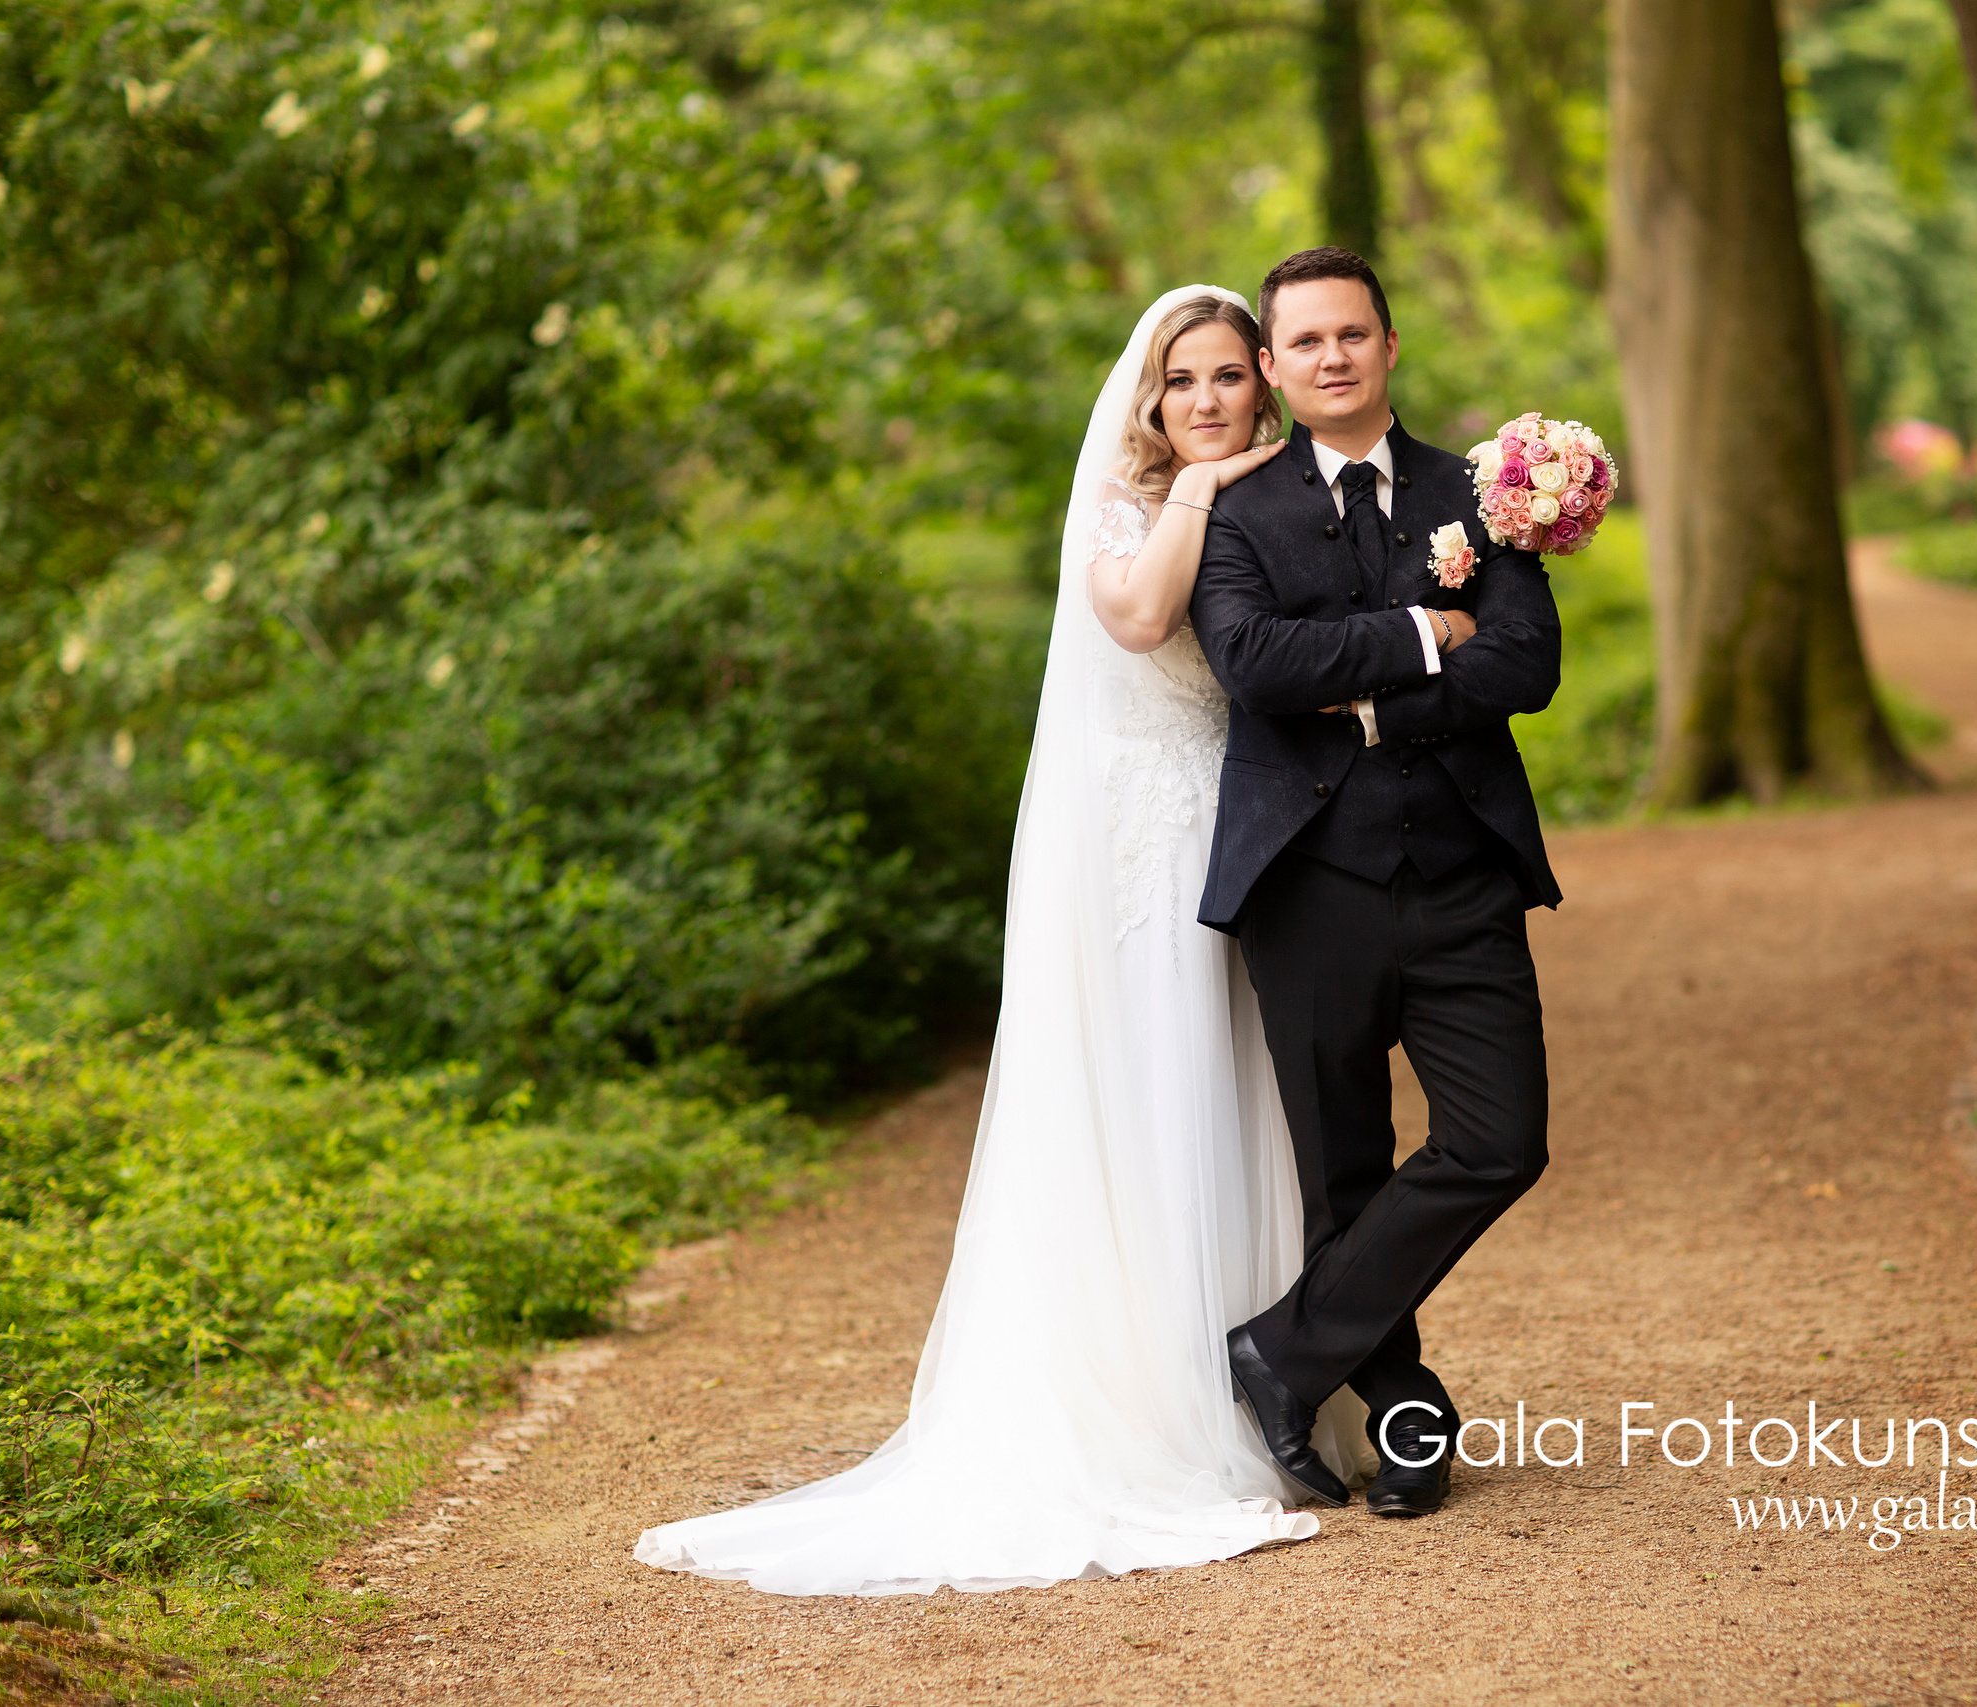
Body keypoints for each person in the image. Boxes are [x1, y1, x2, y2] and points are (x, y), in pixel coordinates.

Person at [632, 286, 1371, 1597]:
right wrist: (1202, 492)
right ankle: (1150, 1408)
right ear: (1151, 398)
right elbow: (1140, 620)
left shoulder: (1283, 499)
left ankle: (1269, 1376)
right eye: (1179, 381)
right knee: (1146, 1096)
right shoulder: (1125, 507)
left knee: (1237, 1091)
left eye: (1223, 377)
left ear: (1261, 382)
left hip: (1244, 831)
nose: (1205, 400)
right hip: (1134, 843)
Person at [1190, 247, 1563, 1520]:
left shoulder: (1486, 494)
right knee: (1342, 1174)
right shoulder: (1235, 510)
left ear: (1389, 347)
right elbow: (1251, 661)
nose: (1331, 358)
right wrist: (1414, 643)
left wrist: (1366, 712)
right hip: (1307, 888)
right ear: (1278, 368)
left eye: (1353, 334)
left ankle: (1281, 1354)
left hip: (1463, 877)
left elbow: (1524, 663)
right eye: (1305, 344)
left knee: (1501, 1141)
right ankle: (1407, 1427)